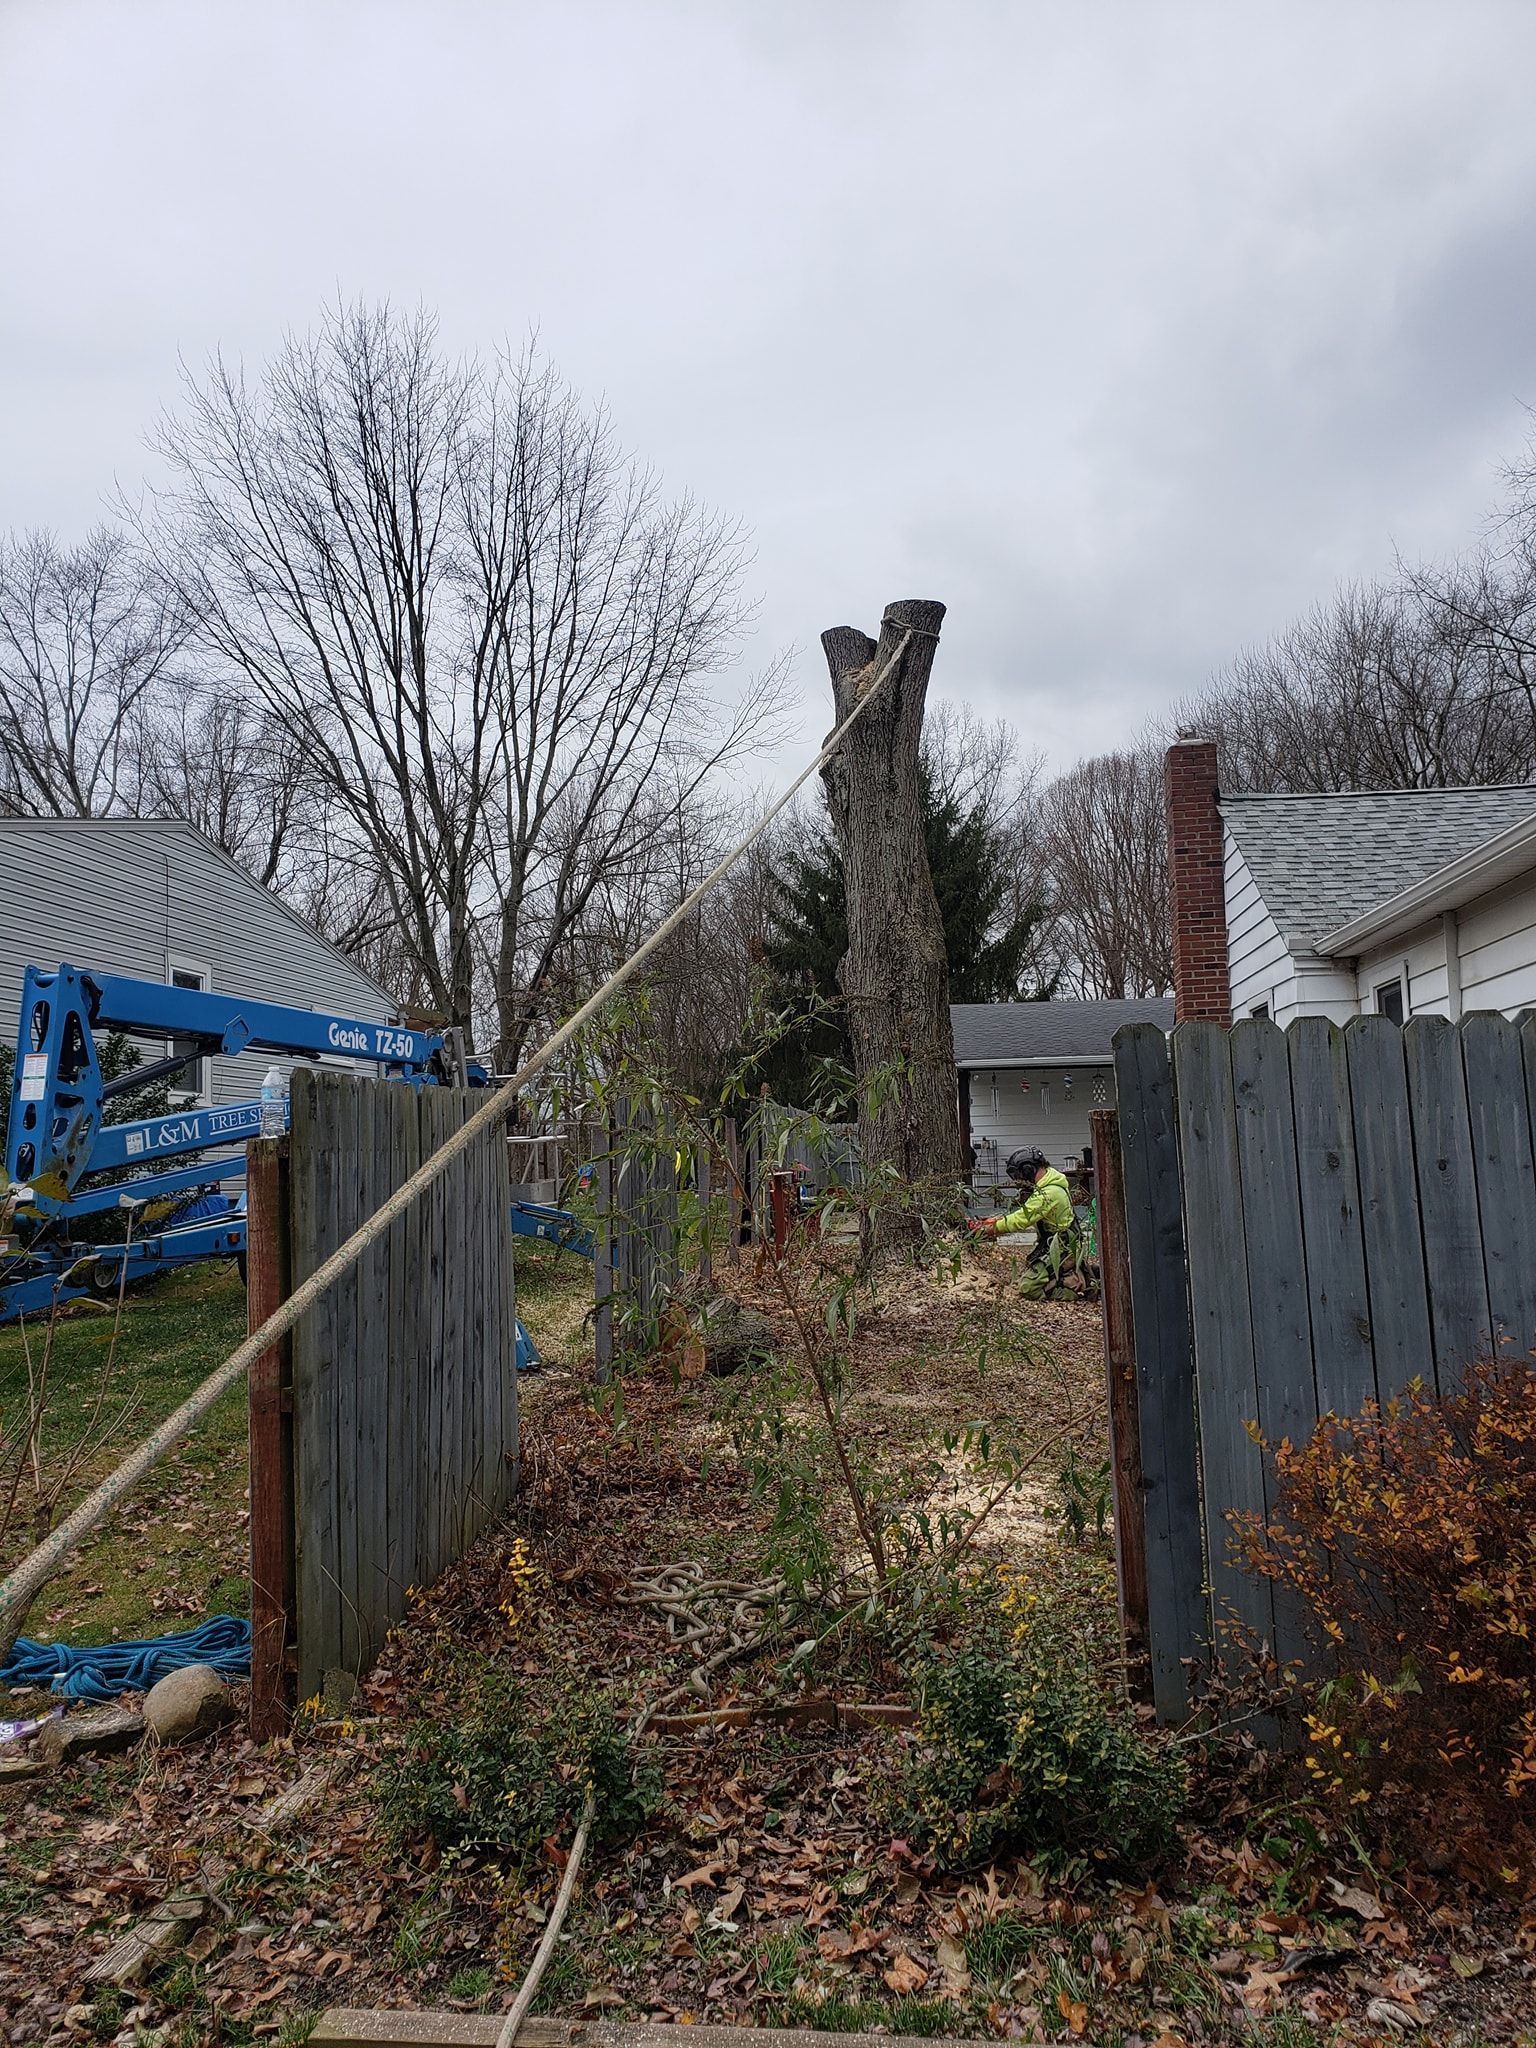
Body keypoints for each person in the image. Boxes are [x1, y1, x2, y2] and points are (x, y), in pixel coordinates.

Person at [969, 1146, 1079, 1273]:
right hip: (1054, 1241)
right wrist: (992, 1220)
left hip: (1063, 1246)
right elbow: (1022, 1213)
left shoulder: (1048, 1193)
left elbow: (1021, 1219)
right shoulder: (1050, 1182)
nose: (1018, 1180)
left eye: (1018, 1175)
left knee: (1029, 1286)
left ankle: (1073, 1283)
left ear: (1028, 1170)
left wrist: (987, 1229)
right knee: (1031, 1262)